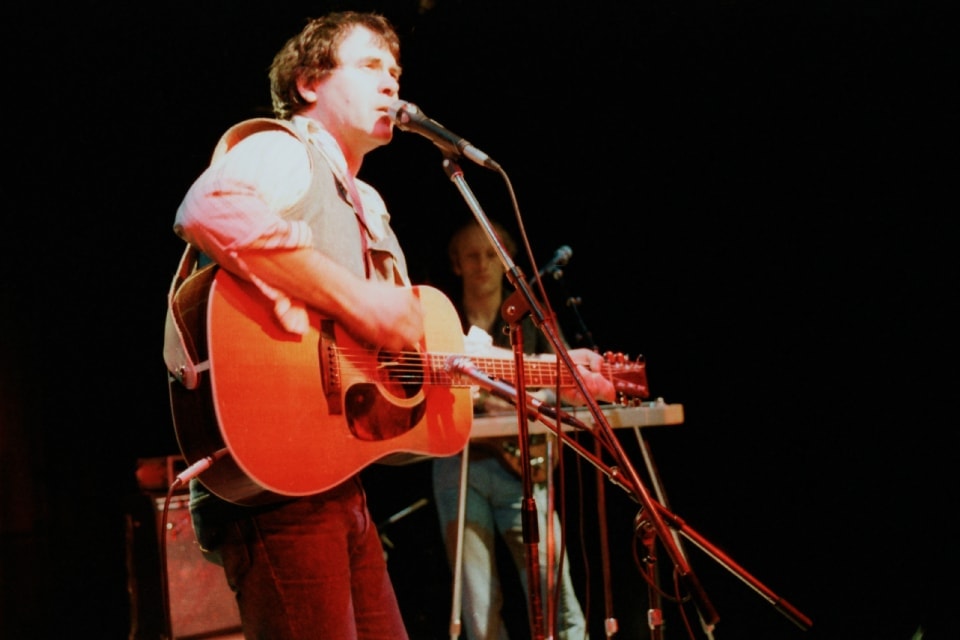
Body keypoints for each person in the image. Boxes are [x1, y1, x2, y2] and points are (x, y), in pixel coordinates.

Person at [164, 11, 615, 639]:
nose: (391, 83)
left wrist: (553, 372)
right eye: (370, 65)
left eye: (395, 71)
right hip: (276, 485)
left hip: (336, 482)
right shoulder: (283, 148)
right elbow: (208, 207)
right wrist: (360, 301)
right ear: (308, 84)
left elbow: (426, 354)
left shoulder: (369, 205)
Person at [432, 218, 590, 640]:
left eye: (491, 254)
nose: (483, 264)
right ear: (456, 264)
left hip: (525, 468)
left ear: (507, 261)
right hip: (461, 467)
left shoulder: (532, 318)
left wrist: (512, 397)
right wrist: (486, 398)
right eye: (472, 256)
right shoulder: (442, 321)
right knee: (479, 609)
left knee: (556, 597)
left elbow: (563, 385)